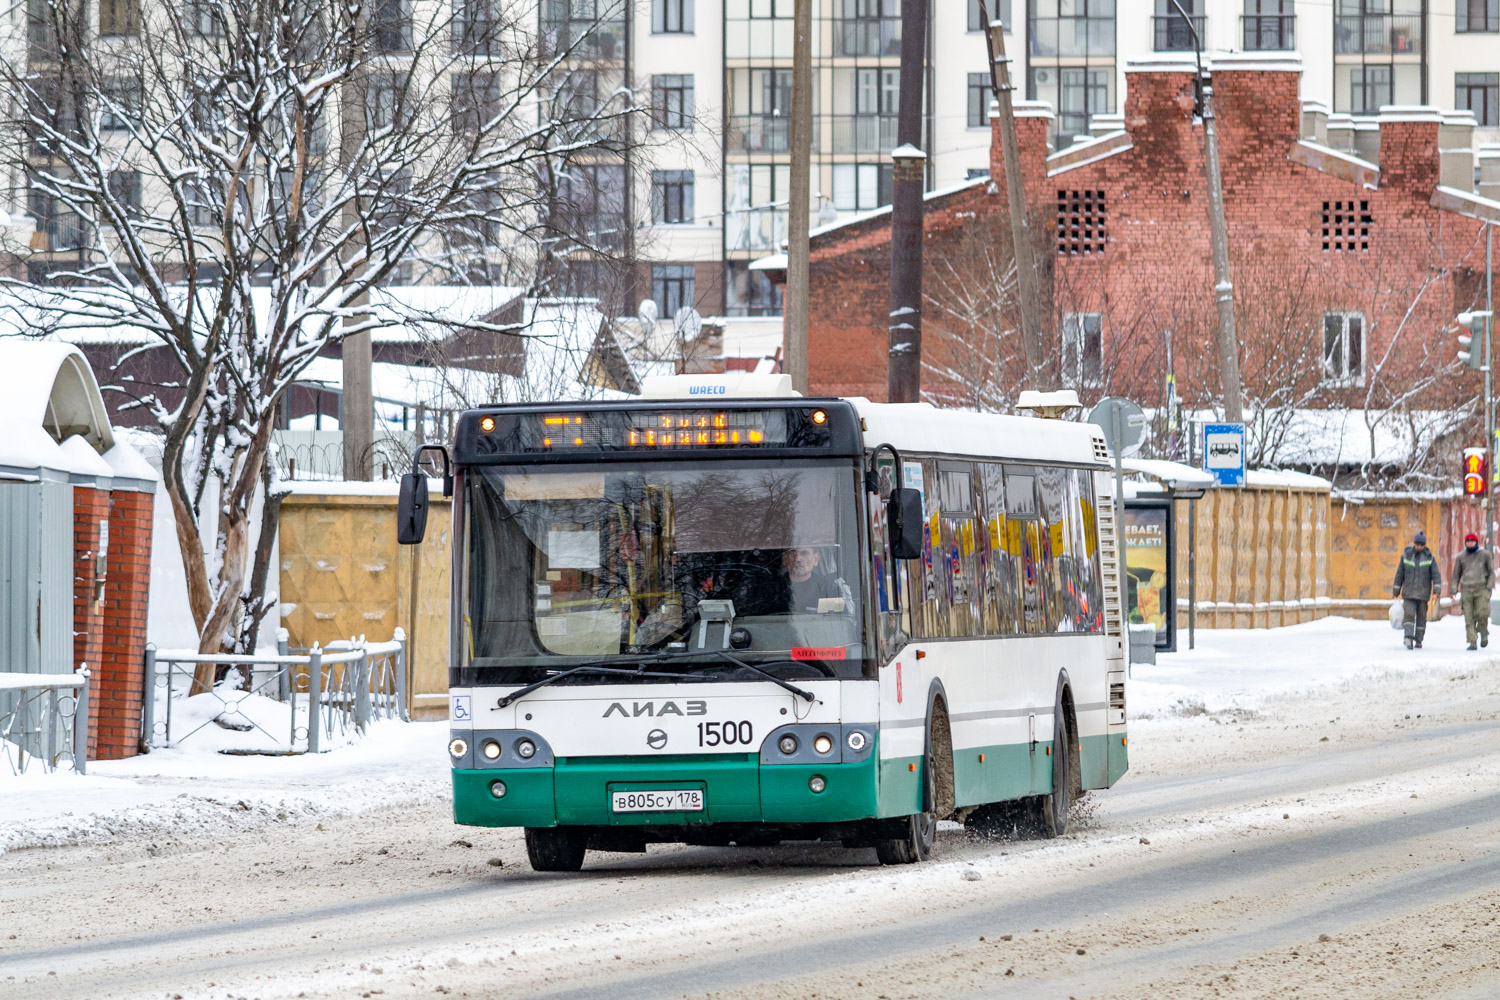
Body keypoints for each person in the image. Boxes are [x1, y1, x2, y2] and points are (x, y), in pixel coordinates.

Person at [1392, 531, 1441, 649]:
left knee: (1421, 617)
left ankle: (1419, 639)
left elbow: (1436, 575)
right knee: (1409, 615)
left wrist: (1436, 589)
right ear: (1414, 544)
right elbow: (1400, 574)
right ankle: (1408, 637)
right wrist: (1396, 589)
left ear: (1424, 545)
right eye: (1417, 544)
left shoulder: (1430, 558)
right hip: (1408, 593)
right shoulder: (1406, 556)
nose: (1419, 547)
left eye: (1421, 545)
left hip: (1423, 594)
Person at [1451, 532, 1493, 651]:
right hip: (1466, 590)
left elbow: (1490, 572)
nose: (1470, 543)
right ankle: (1472, 641)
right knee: (1468, 617)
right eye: (1468, 542)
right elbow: (1456, 574)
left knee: (1481, 614)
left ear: (1476, 542)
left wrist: (1489, 587)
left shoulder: (1485, 555)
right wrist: (1454, 588)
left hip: (1481, 589)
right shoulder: (1461, 557)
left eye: (1472, 541)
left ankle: (1483, 632)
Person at [782, 546, 844, 613]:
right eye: (792, 553)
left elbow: (841, 619)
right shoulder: (772, 589)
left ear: (815, 559)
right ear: (785, 559)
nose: (797, 559)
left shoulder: (829, 589)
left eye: (804, 553)